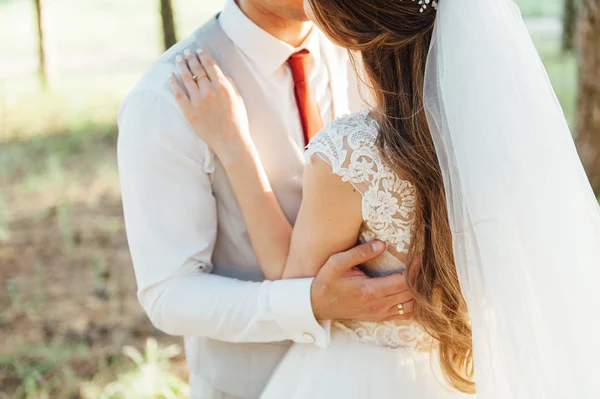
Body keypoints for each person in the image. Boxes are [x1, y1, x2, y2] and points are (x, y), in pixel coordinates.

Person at [170, 0, 600, 398]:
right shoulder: (512, 137)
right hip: (470, 370)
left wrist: (233, 145)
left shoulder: (352, 154)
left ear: (347, 27)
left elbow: (291, 282)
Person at [117, 0, 416, 398]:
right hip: (249, 387)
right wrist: (307, 303)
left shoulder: (376, 50)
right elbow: (169, 293)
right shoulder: (165, 97)